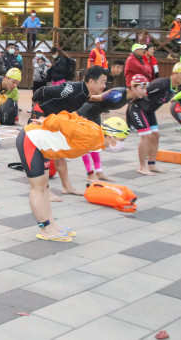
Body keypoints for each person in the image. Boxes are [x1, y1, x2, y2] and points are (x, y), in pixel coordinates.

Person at [16, 113, 129, 242]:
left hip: (43, 146)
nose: (121, 144)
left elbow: (73, 117)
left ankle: (51, 224)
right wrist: (46, 121)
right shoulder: (92, 134)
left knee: (44, 187)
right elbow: (64, 121)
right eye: (121, 140)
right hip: (31, 141)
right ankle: (45, 229)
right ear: (110, 136)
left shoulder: (95, 134)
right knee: (37, 188)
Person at [31, 65, 108, 196]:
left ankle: (67, 187)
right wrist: (34, 103)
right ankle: (44, 190)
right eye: (102, 82)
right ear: (91, 81)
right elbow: (43, 90)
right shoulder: (72, 89)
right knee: (45, 152)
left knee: (59, 152)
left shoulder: (86, 94)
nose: (104, 86)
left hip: (54, 118)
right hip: (42, 112)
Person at [77, 74, 147, 182]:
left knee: (96, 144)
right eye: (142, 88)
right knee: (86, 145)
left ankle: (99, 172)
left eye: (145, 88)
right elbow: (92, 97)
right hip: (84, 113)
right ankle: (90, 174)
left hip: (95, 114)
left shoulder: (132, 96)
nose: (144, 91)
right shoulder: (117, 95)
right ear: (133, 86)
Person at [128, 63, 181, 174]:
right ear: (174, 74)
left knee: (155, 135)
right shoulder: (161, 84)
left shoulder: (174, 87)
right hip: (138, 108)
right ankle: (142, 167)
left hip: (149, 111)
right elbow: (139, 93)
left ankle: (151, 164)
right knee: (146, 136)